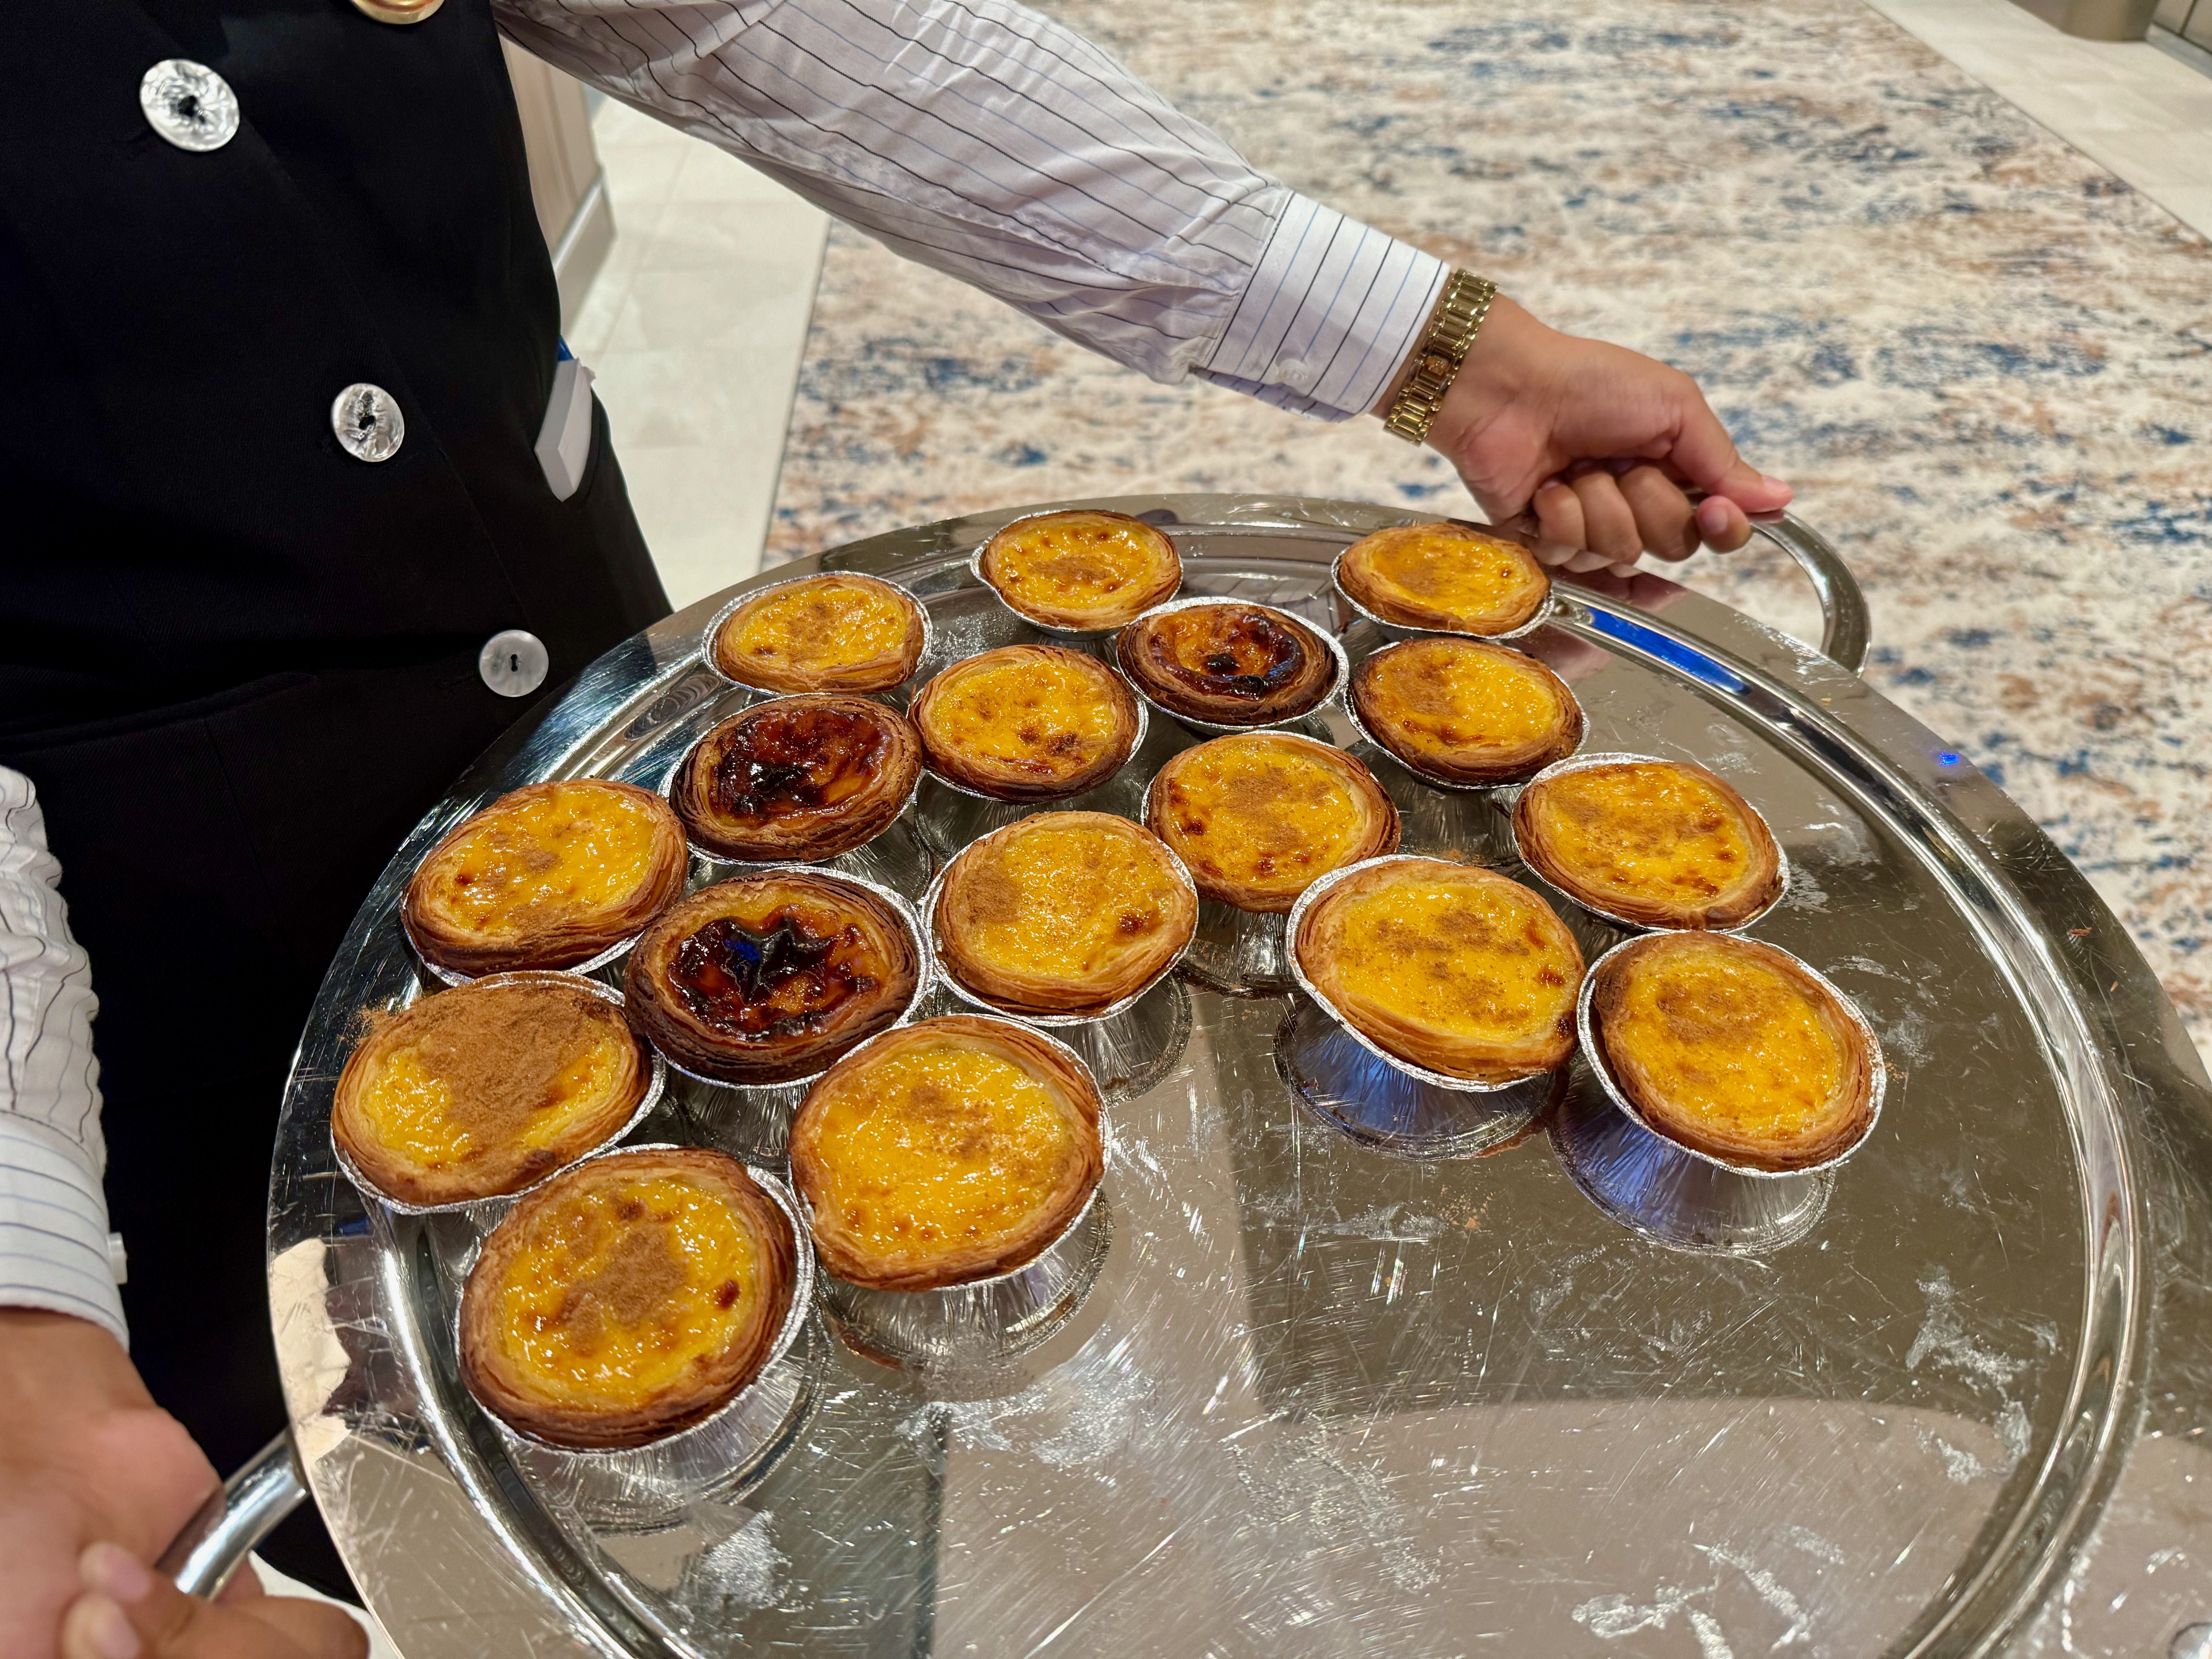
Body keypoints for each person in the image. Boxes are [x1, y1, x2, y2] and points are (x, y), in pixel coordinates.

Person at [0, 2, 1791, 1656]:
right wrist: (25, 1335)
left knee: (839, 1396)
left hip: (600, 699)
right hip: (150, 925)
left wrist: (1446, 349)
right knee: (390, 1494)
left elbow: (754, 24)